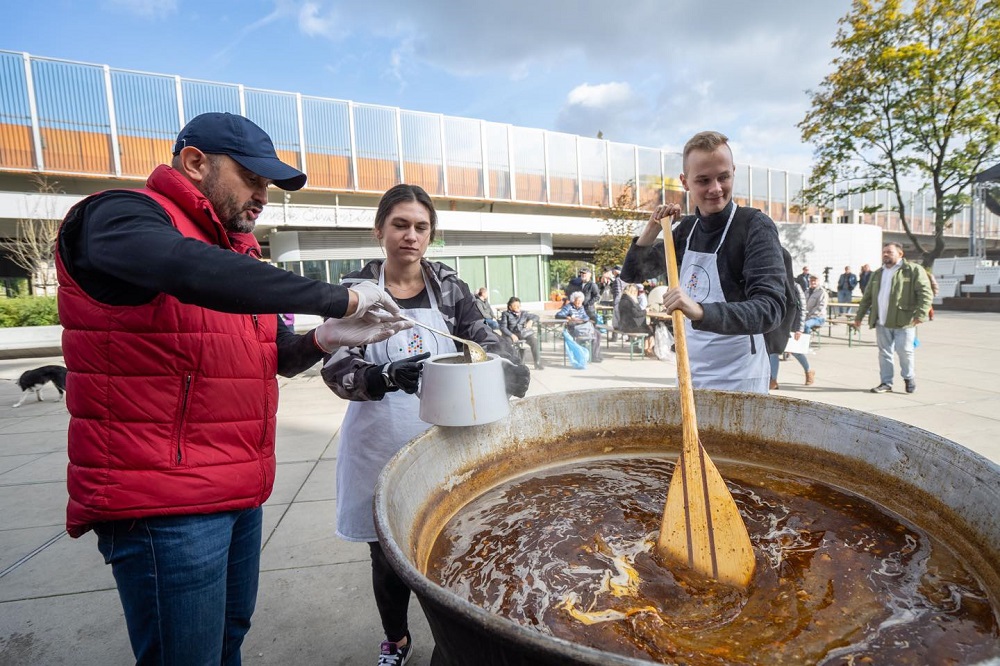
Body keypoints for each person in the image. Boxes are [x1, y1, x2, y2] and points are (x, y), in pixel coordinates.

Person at [56, 112, 409, 665]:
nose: (263, 196)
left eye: (268, 185)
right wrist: (339, 299)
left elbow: (273, 357)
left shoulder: (239, 252)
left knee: (227, 642)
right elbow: (185, 268)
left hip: (238, 489)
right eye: (253, 178)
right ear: (196, 162)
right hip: (164, 500)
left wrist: (324, 336)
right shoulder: (121, 215)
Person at [320, 184, 530, 666]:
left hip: (444, 443)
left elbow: (484, 337)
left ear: (430, 234)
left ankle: (451, 641)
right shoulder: (355, 291)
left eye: (420, 227)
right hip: (377, 440)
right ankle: (395, 639)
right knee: (387, 558)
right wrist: (384, 375)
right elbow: (336, 368)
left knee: (449, 546)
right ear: (379, 231)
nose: (410, 236)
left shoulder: (448, 286)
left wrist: (505, 366)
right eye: (400, 225)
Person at [621, 130, 786, 393]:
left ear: (733, 171)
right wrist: (653, 229)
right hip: (690, 370)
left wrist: (700, 310)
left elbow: (771, 308)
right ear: (685, 182)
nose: (715, 189)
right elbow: (633, 273)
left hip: (740, 375)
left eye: (723, 177)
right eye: (703, 180)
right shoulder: (686, 230)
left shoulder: (754, 227)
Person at [852, 242, 932, 394]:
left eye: (889, 252)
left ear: (900, 254)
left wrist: (921, 314)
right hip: (882, 321)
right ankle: (886, 383)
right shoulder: (878, 273)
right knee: (884, 353)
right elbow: (867, 297)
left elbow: (925, 293)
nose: (885, 254)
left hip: (904, 320)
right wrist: (859, 316)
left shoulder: (912, 270)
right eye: (883, 252)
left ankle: (908, 377)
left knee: (905, 351)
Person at [555, 291, 602, 362]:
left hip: (583, 327)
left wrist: (582, 319)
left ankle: (594, 355)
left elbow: (586, 317)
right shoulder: (568, 307)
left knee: (598, 334)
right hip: (573, 329)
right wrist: (568, 317)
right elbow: (558, 315)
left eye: (581, 301)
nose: (579, 302)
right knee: (594, 334)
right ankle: (592, 356)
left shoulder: (581, 307)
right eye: (578, 301)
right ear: (573, 300)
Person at [499, 296, 544, 370]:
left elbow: (536, 317)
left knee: (534, 341)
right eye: (515, 306)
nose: (517, 307)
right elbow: (503, 327)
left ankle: (537, 363)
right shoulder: (506, 314)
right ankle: (510, 364)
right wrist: (512, 335)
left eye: (518, 305)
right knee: (508, 343)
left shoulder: (524, 313)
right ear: (510, 307)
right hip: (510, 333)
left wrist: (531, 321)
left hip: (522, 333)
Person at [615, 283, 655, 357]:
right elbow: (636, 314)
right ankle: (648, 349)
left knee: (649, 328)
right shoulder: (629, 301)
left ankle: (647, 349)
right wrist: (646, 310)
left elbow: (635, 313)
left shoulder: (624, 300)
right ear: (633, 292)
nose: (637, 295)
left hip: (625, 325)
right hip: (629, 327)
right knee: (650, 330)